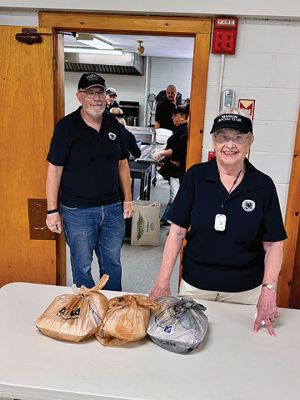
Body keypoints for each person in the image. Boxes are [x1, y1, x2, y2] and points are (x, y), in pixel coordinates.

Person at [150, 107, 287, 337]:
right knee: (190, 347)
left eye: (238, 138)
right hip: (196, 289)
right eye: (223, 137)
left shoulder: (263, 185)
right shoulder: (195, 177)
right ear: (214, 141)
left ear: (249, 142)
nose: (230, 145)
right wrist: (163, 280)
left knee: (241, 354)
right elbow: (176, 233)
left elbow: (274, 244)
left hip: (244, 294)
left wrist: (268, 292)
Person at [45, 72, 133, 291]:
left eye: (100, 92)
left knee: (112, 263)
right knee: (82, 266)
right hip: (78, 211)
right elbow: (54, 169)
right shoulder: (66, 127)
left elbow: (123, 164)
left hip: (112, 209)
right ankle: (87, 312)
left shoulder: (113, 124)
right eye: (90, 93)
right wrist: (51, 211)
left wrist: (128, 201)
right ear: (79, 97)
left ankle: (112, 308)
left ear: (106, 96)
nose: (96, 97)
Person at [153, 106, 189, 226]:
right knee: (174, 194)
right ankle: (167, 218)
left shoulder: (184, 131)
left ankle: (172, 220)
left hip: (177, 170)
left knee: (175, 195)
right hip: (174, 168)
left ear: (183, 117)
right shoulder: (179, 129)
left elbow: (176, 151)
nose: (173, 118)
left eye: (176, 115)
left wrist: (161, 153)